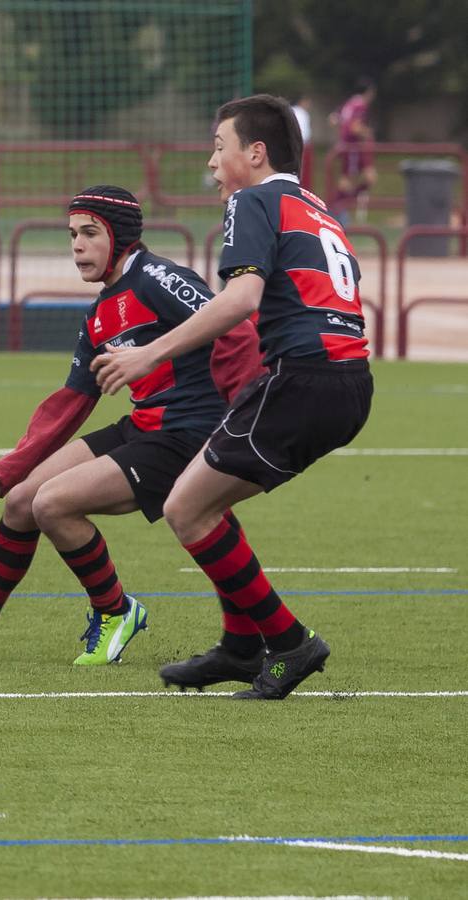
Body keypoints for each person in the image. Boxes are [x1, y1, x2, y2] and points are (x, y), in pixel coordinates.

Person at [0, 186, 262, 665]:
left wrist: (243, 413)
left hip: (187, 435)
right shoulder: (98, 314)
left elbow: (234, 325)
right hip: (144, 426)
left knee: (53, 504)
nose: (77, 246)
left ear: (120, 236)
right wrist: (4, 474)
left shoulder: (160, 278)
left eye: (90, 233)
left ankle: (115, 612)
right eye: (72, 235)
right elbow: (69, 403)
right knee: (24, 499)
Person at [92, 94, 373, 700]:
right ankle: (242, 646)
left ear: (256, 152)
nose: (213, 163)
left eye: (220, 148)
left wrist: (149, 353)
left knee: (185, 508)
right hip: (346, 380)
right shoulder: (314, 205)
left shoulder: (253, 199)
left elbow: (242, 301)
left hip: (305, 378)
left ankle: (287, 641)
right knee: (204, 495)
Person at [329, 78, 376, 223]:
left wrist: (341, 132)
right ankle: (335, 211)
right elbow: (354, 127)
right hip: (353, 147)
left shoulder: (349, 103)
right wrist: (367, 132)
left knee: (365, 177)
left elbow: (332, 119)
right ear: (368, 92)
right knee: (350, 180)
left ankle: (338, 209)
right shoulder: (360, 104)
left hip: (346, 146)